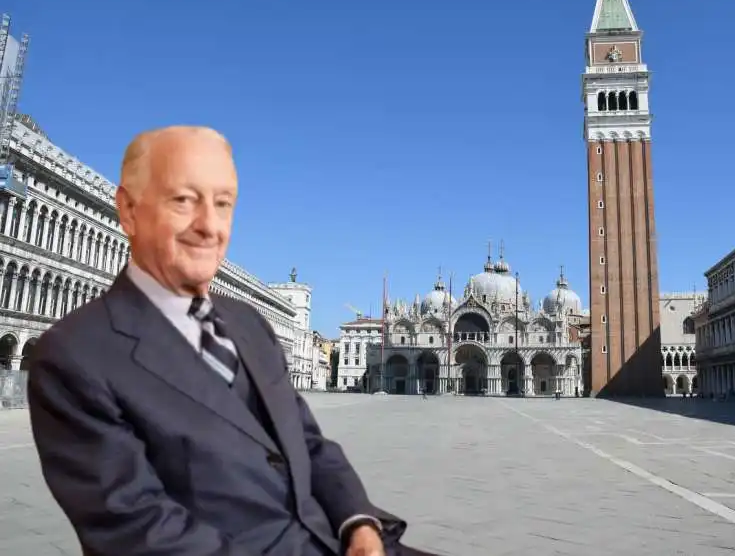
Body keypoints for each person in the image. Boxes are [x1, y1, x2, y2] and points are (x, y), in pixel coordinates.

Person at [27, 126, 438, 556]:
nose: (208, 226)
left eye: (223, 204)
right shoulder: (73, 356)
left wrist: (360, 523)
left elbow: (309, 443)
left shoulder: (247, 322)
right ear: (128, 211)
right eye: (183, 200)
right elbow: (140, 530)